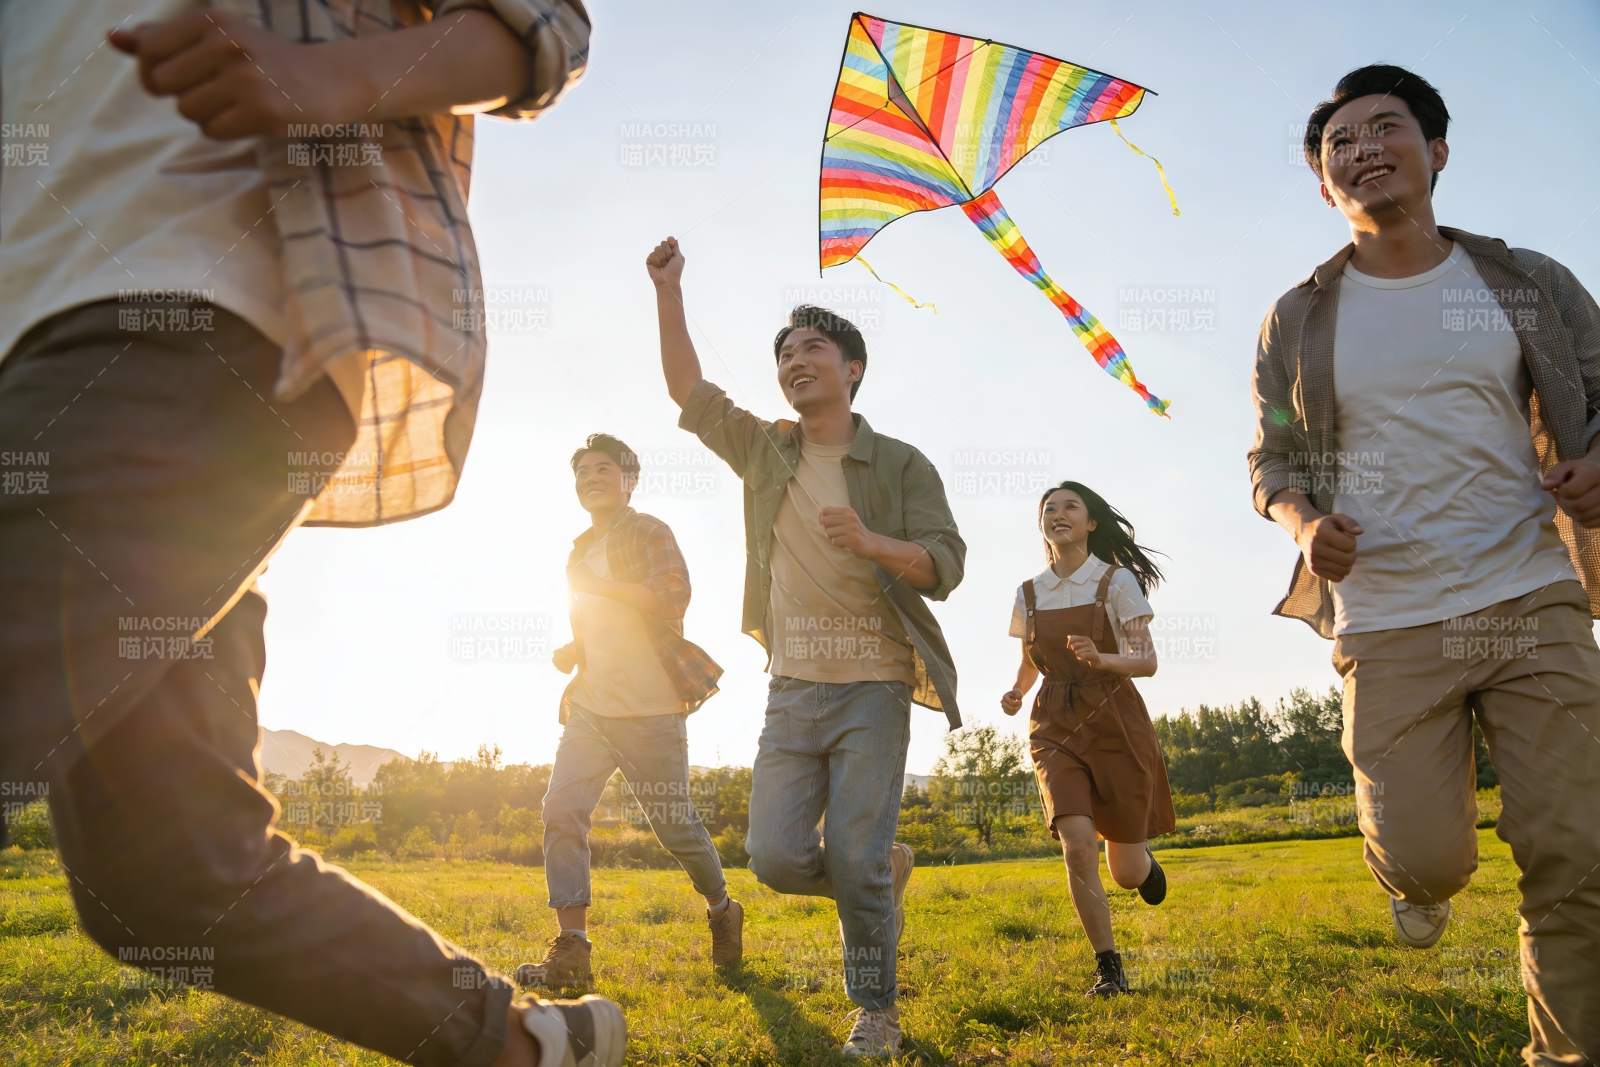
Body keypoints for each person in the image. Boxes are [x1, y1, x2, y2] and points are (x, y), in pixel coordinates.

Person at [0, 4, 625, 1065]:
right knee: (169, 877)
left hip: (197, 310)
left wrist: (326, 79)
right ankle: (527, 1046)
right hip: (34, 349)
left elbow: (543, 26)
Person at [1249, 63, 1600, 1066]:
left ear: (1435, 151)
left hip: (1530, 588)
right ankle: (1412, 879)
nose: (1361, 151)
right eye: (1339, 144)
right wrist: (1302, 523)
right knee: (1431, 859)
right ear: (1325, 185)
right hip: (1388, 613)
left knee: (1575, 852)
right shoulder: (1297, 317)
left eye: (1383, 129)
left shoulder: (1525, 283)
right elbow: (1269, 457)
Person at [645, 236, 965, 1058]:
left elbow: (946, 566)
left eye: (813, 346)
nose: (795, 359)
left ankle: (877, 1010)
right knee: (776, 858)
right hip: (791, 688)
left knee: (853, 853)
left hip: (874, 687)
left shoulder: (900, 463)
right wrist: (669, 290)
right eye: (785, 351)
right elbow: (688, 389)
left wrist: (873, 541)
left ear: (852, 367)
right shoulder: (766, 449)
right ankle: (876, 874)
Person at [516, 434, 742, 991]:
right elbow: (596, 620)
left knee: (676, 827)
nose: (590, 478)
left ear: (629, 479)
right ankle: (572, 950)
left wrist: (603, 587)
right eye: (582, 472)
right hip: (591, 707)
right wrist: (575, 650)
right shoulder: (576, 551)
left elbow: (672, 597)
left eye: (603, 469)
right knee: (561, 811)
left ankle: (722, 909)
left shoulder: (649, 531)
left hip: (652, 711)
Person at [1001, 482, 1174, 997]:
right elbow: (1029, 661)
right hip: (1054, 722)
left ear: (1090, 522)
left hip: (1114, 718)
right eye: (1048, 509)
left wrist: (1101, 658)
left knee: (1123, 870)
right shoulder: (1028, 593)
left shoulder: (1116, 582)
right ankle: (1109, 967)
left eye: (1070, 506)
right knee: (1077, 845)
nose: (1058, 514)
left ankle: (1142, 868)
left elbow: (1146, 660)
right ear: (1042, 525)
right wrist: (1016, 690)